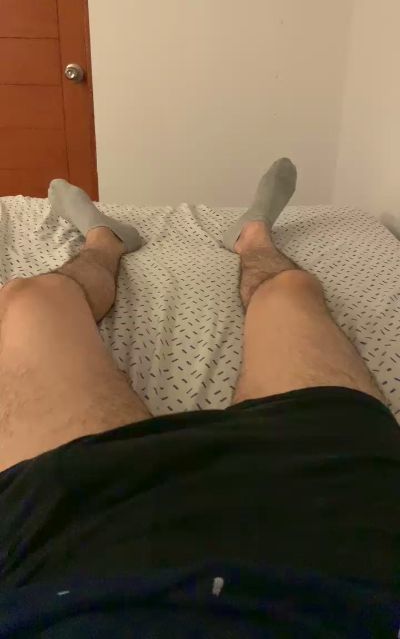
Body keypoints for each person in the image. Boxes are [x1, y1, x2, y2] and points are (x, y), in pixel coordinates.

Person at [0, 159, 398, 637]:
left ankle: (110, 239)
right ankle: (246, 236)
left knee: (31, 299)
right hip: (340, 518)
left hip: (65, 535)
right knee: (292, 292)